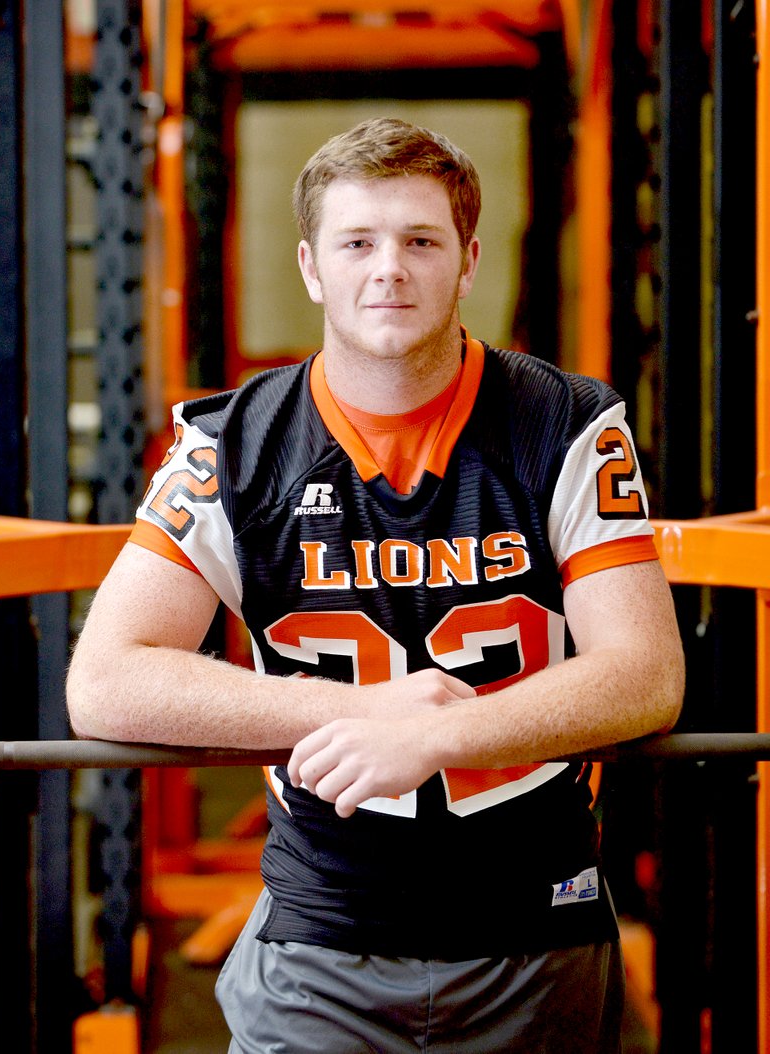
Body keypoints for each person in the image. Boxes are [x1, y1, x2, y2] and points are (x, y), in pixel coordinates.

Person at [67, 117, 685, 1053]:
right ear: (313, 268)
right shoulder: (231, 445)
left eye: (421, 241)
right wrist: (358, 708)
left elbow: (645, 672)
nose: (388, 268)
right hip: (324, 933)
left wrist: (437, 733)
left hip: (535, 929)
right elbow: (104, 681)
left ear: (469, 260)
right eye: (358, 243)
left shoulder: (566, 423)